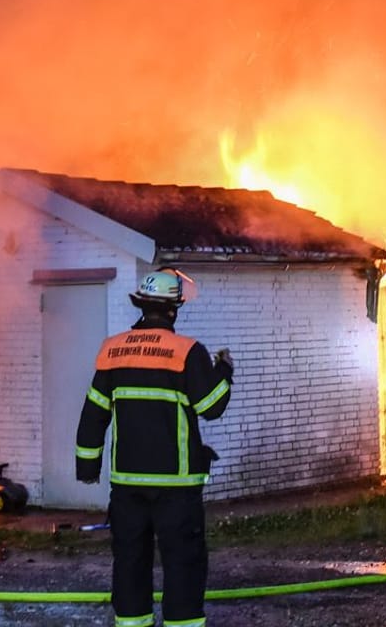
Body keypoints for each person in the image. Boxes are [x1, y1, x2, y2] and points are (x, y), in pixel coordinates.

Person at [76, 268, 234, 627]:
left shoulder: (112, 351)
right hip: (176, 488)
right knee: (182, 563)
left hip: (127, 486)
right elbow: (211, 408)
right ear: (174, 309)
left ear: (141, 306)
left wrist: (87, 469)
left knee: (130, 562)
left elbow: (93, 414)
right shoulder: (187, 352)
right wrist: (224, 372)